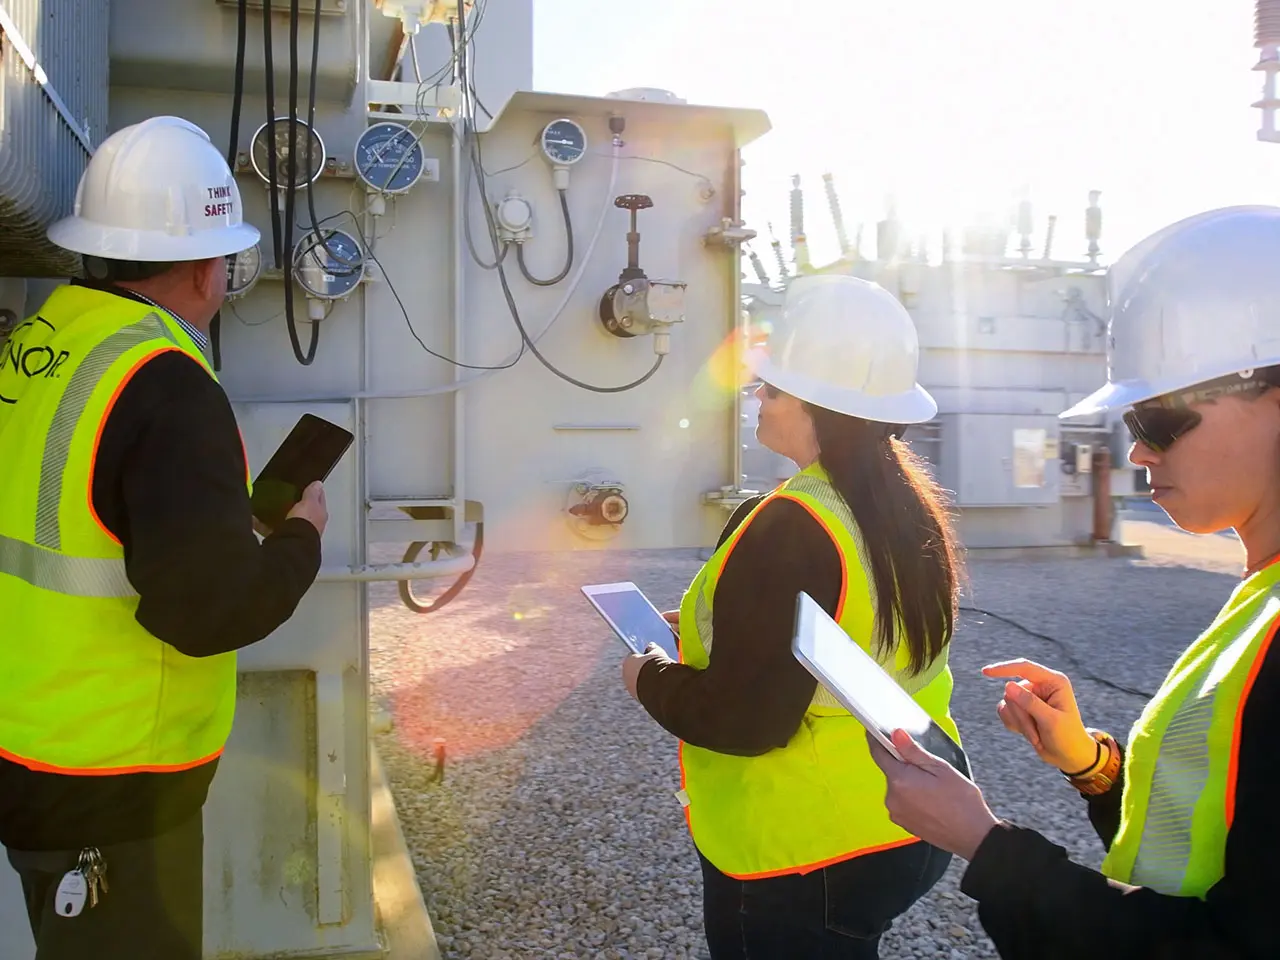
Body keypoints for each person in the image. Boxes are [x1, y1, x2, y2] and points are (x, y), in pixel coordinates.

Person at [864, 205, 1280, 960]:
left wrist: (986, 844)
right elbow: (1218, 833)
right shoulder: (1262, 596)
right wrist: (1092, 765)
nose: (1140, 452)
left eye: (1157, 419)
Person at [0, 116, 327, 959]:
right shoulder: (166, 384)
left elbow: (88, 514)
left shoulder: (45, 338)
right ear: (206, 267)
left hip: (30, 742)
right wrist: (300, 538)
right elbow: (209, 611)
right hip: (112, 783)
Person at [620, 274, 968, 959]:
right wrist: (718, 629)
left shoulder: (793, 522)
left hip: (806, 849)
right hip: (912, 813)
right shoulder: (901, 504)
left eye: (772, 387)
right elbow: (842, 634)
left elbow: (746, 720)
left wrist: (649, 678)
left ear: (820, 406)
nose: (757, 394)